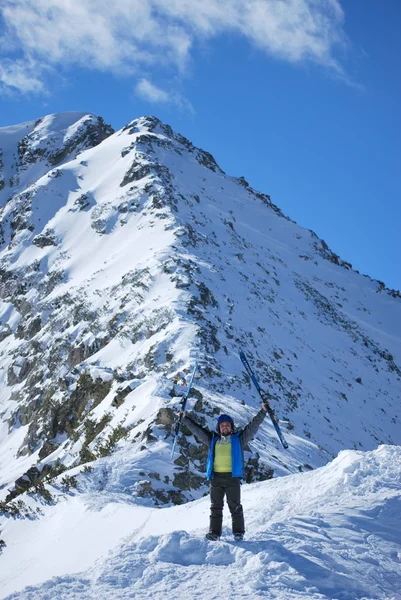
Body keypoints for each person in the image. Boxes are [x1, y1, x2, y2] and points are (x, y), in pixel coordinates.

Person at [180, 403, 268, 541]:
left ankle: (238, 533)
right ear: (219, 428)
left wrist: (263, 411)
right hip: (216, 477)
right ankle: (214, 533)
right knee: (216, 507)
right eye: (222, 425)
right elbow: (198, 430)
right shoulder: (213, 440)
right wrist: (185, 419)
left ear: (231, 427)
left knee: (235, 506)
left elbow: (253, 426)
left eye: (227, 425)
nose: (224, 427)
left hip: (232, 477)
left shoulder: (239, 439)